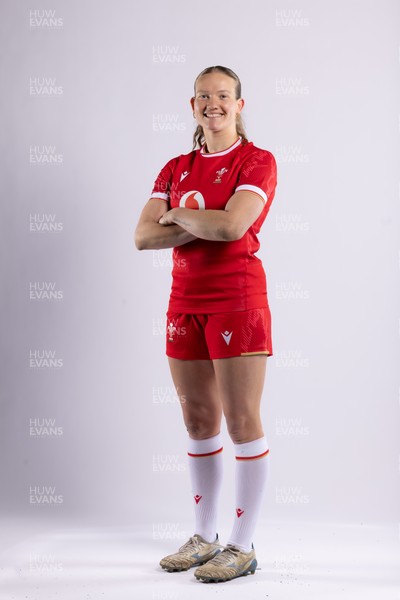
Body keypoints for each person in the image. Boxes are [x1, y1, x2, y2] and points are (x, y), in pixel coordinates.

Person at [135, 65, 277, 583]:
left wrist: (177, 217)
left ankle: (242, 545)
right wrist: (200, 224)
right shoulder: (175, 167)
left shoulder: (256, 160)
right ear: (191, 106)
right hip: (183, 303)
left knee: (240, 421)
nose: (212, 103)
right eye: (203, 96)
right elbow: (142, 237)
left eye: (223, 95)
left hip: (237, 302)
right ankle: (204, 537)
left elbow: (233, 225)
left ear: (240, 104)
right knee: (197, 421)